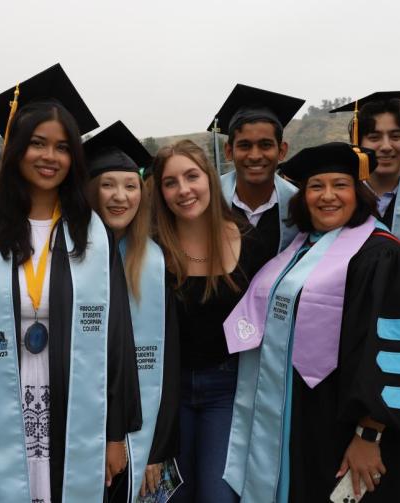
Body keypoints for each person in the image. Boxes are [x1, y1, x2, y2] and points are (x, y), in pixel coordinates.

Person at [222, 142, 400, 502]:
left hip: (357, 435)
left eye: (340, 185)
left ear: (358, 192)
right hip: (306, 427)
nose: (327, 196)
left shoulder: (383, 257)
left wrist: (369, 434)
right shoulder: (299, 251)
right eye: (316, 187)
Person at [0, 64, 141, 503]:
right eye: (37, 144)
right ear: (16, 149)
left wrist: (113, 435)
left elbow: (115, 338)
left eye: (62, 147)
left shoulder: (91, 233)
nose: (49, 157)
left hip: (73, 408)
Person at [151, 139, 266, 503]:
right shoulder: (151, 250)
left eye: (192, 176)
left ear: (211, 180)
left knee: (218, 494)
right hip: (167, 394)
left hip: (228, 390)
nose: (184, 190)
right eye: (171, 182)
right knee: (171, 497)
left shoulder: (250, 241)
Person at [83, 120, 180, 502]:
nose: (120, 197)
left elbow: (168, 362)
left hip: (138, 436)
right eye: (108, 184)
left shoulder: (156, 262)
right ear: (89, 190)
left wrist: (155, 451)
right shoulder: (67, 259)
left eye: (130, 186)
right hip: (78, 427)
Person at [209, 84, 305, 261]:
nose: (254, 156)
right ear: (229, 151)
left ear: (282, 150)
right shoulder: (209, 199)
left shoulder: (300, 206)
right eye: (244, 145)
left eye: (265, 145)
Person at [330, 90, 400, 244]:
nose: (386, 146)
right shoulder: (337, 194)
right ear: (358, 144)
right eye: (374, 137)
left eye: (395, 136)